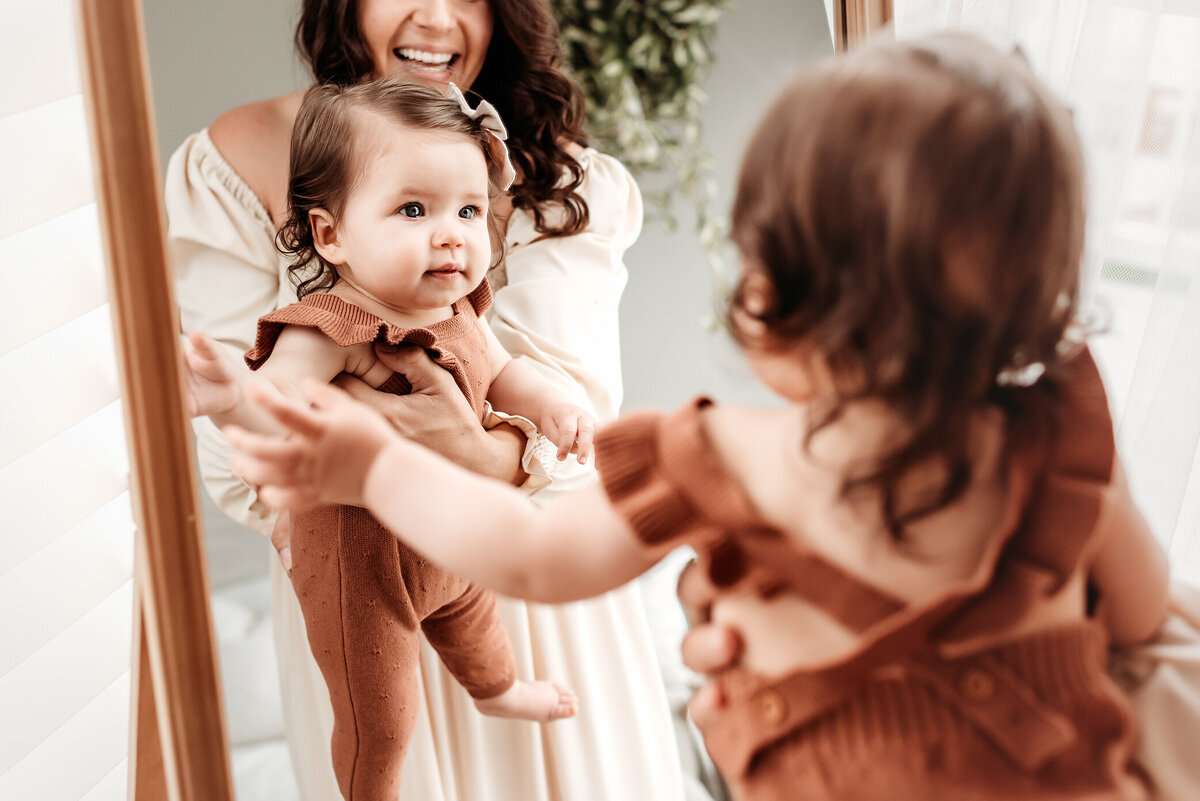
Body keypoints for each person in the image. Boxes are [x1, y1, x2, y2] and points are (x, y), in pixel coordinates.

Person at [223, 32, 1171, 800]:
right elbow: (1135, 615)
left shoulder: (720, 454)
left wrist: (375, 468)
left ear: (775, 289)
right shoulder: (1059, 441)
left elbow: (530, 555)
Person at [164, 1, 688, 799]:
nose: (438, 14)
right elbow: (253, 460)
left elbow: (567, 443)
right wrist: (240, 396)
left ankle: (504, 688)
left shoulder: (551, 188)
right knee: (382, 734)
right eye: (412, 211)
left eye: (469, 212)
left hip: (534, 594)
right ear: (326, 234)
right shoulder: (251, 195)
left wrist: (403, 439)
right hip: (363, 578)